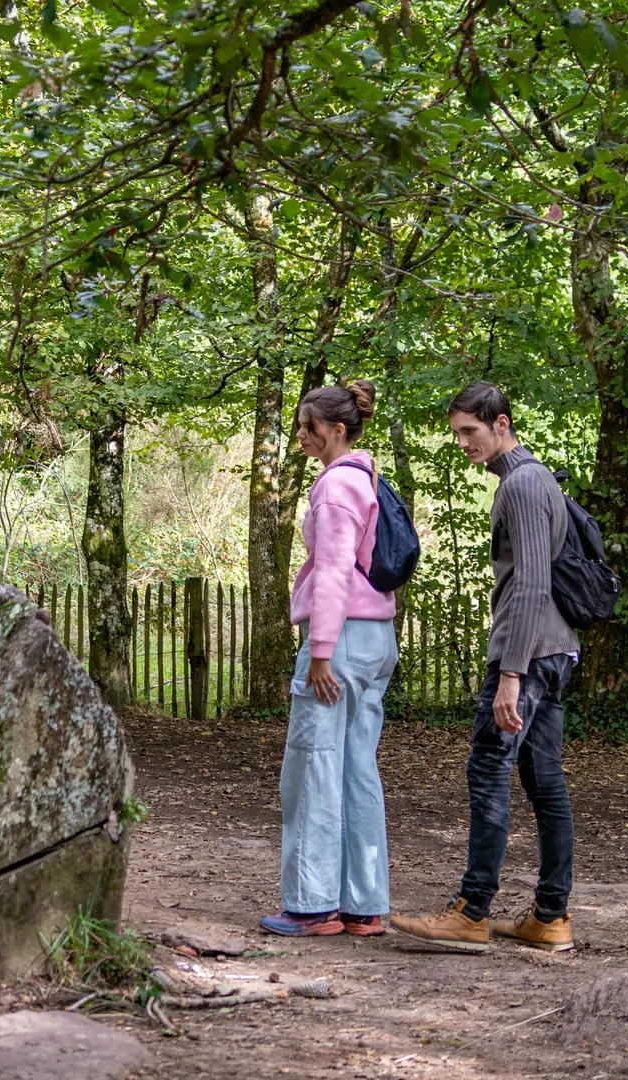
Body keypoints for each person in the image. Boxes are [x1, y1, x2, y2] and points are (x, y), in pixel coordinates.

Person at [390, 381, 579, 952]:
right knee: (545, 783)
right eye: (457, 434)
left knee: (489, 770)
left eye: (470, 431)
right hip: (555, 649)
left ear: (502, 424)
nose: (463, 443)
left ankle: (472, 912)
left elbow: (531, 585)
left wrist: (512, 673)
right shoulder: (537, 478)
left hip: (528, 655)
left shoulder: (521, 484)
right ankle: (550, 917)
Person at [260, 381, 401, 938]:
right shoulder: (369, 478)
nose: (301, 435)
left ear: (337, 430)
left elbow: (336, 572)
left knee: (313, 767)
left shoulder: (337, 487)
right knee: (356, 769)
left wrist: (319, 652)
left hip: (339, 643)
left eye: (308, 427)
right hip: (376, 640)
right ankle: (364, 906)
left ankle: (313, 904)